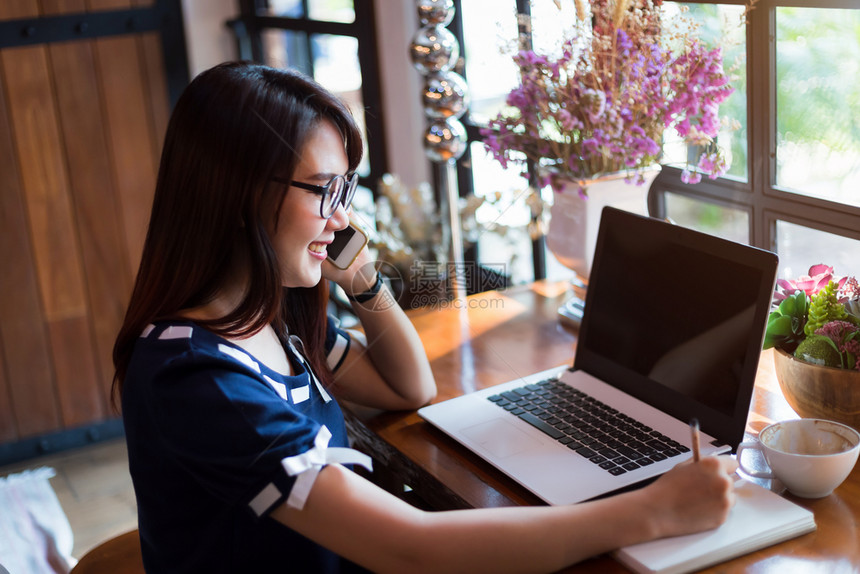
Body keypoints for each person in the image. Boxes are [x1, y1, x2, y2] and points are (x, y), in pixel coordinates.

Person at [113, 61, 738, 574]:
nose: (341, 219)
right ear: (237, 193)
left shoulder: (267, 319)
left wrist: (362, 280)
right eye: (323, 192)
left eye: (344, 193)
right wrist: (650, 512)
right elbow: (407, 548)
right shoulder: (196, 376)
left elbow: (407, 388)